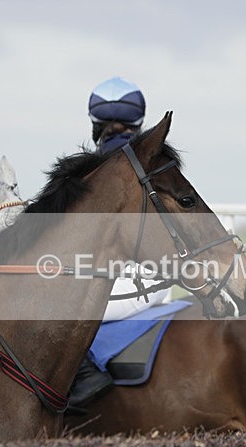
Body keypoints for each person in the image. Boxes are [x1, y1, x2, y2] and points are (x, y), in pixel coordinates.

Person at [68, 76, 171, 408]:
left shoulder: (87, 170)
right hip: (154, 280)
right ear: (139, 124)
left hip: (132, 280)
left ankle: (84, 375)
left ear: (95, 125)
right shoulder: (158, 165)